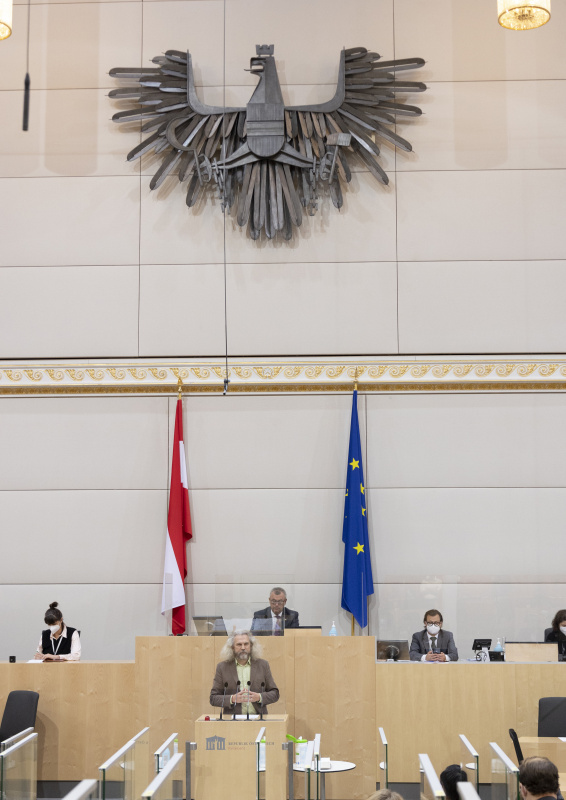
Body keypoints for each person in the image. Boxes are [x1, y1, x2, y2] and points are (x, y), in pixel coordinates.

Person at [209, 630, 279, 716]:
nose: (243, 647)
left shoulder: (263, 665)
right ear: (232, 647)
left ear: (251, 646)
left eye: (246, 644)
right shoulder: (222, 667)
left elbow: (275, 694)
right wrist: (232, 699)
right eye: (239, 644)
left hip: (258, 718)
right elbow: (213, 698)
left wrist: (259, 697)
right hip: (232, 720)